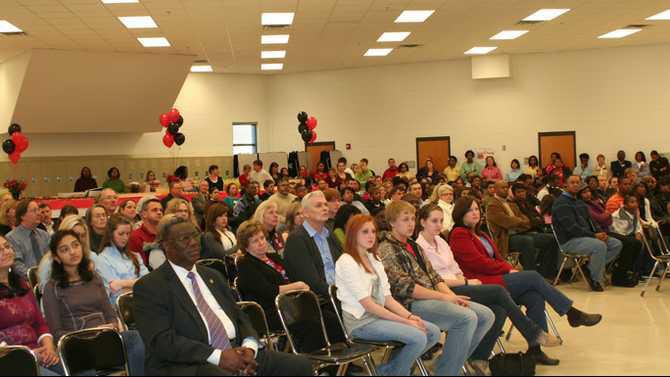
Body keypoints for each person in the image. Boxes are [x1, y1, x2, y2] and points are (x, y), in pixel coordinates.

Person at [135, 217, 314, 377]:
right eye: (184, 239)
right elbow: (162, 341)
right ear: (166, 245)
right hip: (192, 362)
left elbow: (240, 316)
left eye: (195, 236)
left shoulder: (212, 275)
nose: (193, 243)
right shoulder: (150, 287)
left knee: (300, 366)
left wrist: (249, 347)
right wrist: (218, 356)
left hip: (237, 351)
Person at [448, 197, 603, 365]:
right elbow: (478, 263)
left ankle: (535, 350)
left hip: (495, 278)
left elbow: (498, 258)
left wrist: (508, 268)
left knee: (534, 296)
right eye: (470, 210)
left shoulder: (481, 234)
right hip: (481, 283)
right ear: (460, 213)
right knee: (533, 277)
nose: (475, 213)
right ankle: (572, 313)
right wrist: (508, 269)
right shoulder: (458, 234)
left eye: (477, 209)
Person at [416, 205, 561, 365]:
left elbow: (455, 268)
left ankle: (479, 358)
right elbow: (433, 280)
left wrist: (466, 280)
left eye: (441, 221)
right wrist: (465, 281)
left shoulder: (441, 242)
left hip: (464, 283)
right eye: (434, 221)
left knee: (506, 306)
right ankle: (535, 331)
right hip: (446, 290)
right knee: (508, 288)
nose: (439, 225)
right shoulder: (420, 247)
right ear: (423, 222)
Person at [378, 200, 494, 376]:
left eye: (412, 218)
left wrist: (452, 296)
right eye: (405, 219)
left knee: (486, 315)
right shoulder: (386, 248)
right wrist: (444, 298)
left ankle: (446, 362)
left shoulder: (413, 245)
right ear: (392, 223)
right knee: (466, 318)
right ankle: (447, 371)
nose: (411, 224)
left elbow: (434, 277)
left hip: (431, 298)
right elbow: (407, 288)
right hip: (408, 304)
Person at [336, 214, 441, 376]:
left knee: (432, 332)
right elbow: (368, 304)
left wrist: (410, 316)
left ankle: (389, 371)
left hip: (378, 318)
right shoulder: (346, 261)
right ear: (353, 234)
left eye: (373, 231)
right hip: (360, 323)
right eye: (365, 232)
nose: (371, 236)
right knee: (418, 336)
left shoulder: (374, 258)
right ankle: (393, 371)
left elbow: (387, 298)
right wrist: (404, 321)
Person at [42, 230, 145, 376]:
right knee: (83, 362)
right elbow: (56, 331)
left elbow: (109, 313)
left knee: (135, 337)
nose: (72, 252)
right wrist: (84, 336)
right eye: (65, 249)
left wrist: (111, 326)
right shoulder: (52, 287)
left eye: (75, 245)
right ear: (57, 257)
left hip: (104, 337)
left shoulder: (93, 278)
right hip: (77, 344)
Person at [283, 191, 348, 347]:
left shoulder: (329, 235)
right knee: (341, 316)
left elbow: (344, 266)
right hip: (317, 300)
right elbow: (311, 281)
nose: (325, 208)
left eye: (325, 204)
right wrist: (340, 294)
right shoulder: (297, 239)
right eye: (318, 205)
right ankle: (337, 366)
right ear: (305, 213)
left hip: (338, 293)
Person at [0, 235, 62, 376]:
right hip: (9, 360)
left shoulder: (21, 284)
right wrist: (29, 354)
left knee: (80, 369)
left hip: (39, 352)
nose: (6, 251)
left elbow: (40, 323)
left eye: (7, 246)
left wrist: (49, 348)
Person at [236, 220, 310, 333]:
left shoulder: (274, 257)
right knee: (312, 318)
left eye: (262, 238)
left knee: (323, 313)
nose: (261, 243)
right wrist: (297, 286)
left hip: (290, 303)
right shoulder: (245, 264)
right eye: (255, 241)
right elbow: (268, 291)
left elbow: (292, 275)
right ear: (246, 246)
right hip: (270, 310)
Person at [552, 176, 623, 291]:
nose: (575, 185)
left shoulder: (580, 203)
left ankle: (590, 267)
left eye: (577, 183)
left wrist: (600, 232)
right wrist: (594, 236)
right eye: (572, 182)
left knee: (616, 244)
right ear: (565, 185)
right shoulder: (561, 203)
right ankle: (596, 281)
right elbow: (572, 228)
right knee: (599, 246)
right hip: (569, 240)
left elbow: (592, 222)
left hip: (586, 238)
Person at [487, 181, 558, 273]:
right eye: (502, 188)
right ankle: (531, 274)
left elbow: (525, 218)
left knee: (551, 239)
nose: (505, 189)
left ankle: (545, 272)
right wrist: (521, 222)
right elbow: (508, 222)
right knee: (526, 241)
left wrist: (520, 222)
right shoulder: (492, 205)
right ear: (495, 190)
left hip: (521, 233)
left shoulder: (510, 202)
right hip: (506, 238)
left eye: (506, 187)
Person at [93, 215, 150, 304]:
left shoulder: (135, 256)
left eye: (128, 234)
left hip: (143, 301)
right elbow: (115, 292)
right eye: (121, 234)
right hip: (121, 308)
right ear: (110, 234)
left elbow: (148, 281)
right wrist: (136, 284)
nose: (125, 238)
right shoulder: (102, 259)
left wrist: (122, 283)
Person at [37, 215, 92, 293]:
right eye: (75, 235)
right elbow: (46, 294)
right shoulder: (48, 263)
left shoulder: (91, 256)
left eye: (82, 236)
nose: (79, 239)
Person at [6, 200, 51, 279]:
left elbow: (52, 257)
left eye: (38, 210)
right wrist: (34, 277)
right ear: (22, 216)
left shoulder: (44, 235)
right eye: (34, 210)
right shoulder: (11, 238)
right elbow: (17, 265)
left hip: (49, 279)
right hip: (27, 281)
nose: (38, 213)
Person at [608, 195, 644, 287]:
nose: (635, 204)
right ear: (625, 205)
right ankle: (619, 277)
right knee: (631, 243)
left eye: (636, 202)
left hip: (628, 236)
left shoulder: (634, 213)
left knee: (638, 244)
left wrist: (638, 233)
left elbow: (638, 227)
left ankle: (631, 272)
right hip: (615, 235)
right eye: (632, 202)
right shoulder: (618, 215)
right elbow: (619, 231)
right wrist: (632, 237)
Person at [128, 197, 163, 265]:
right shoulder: (135, 237)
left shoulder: (166, 234)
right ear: (144, 214)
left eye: (161, 210)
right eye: (154, 210)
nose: (159, 212)